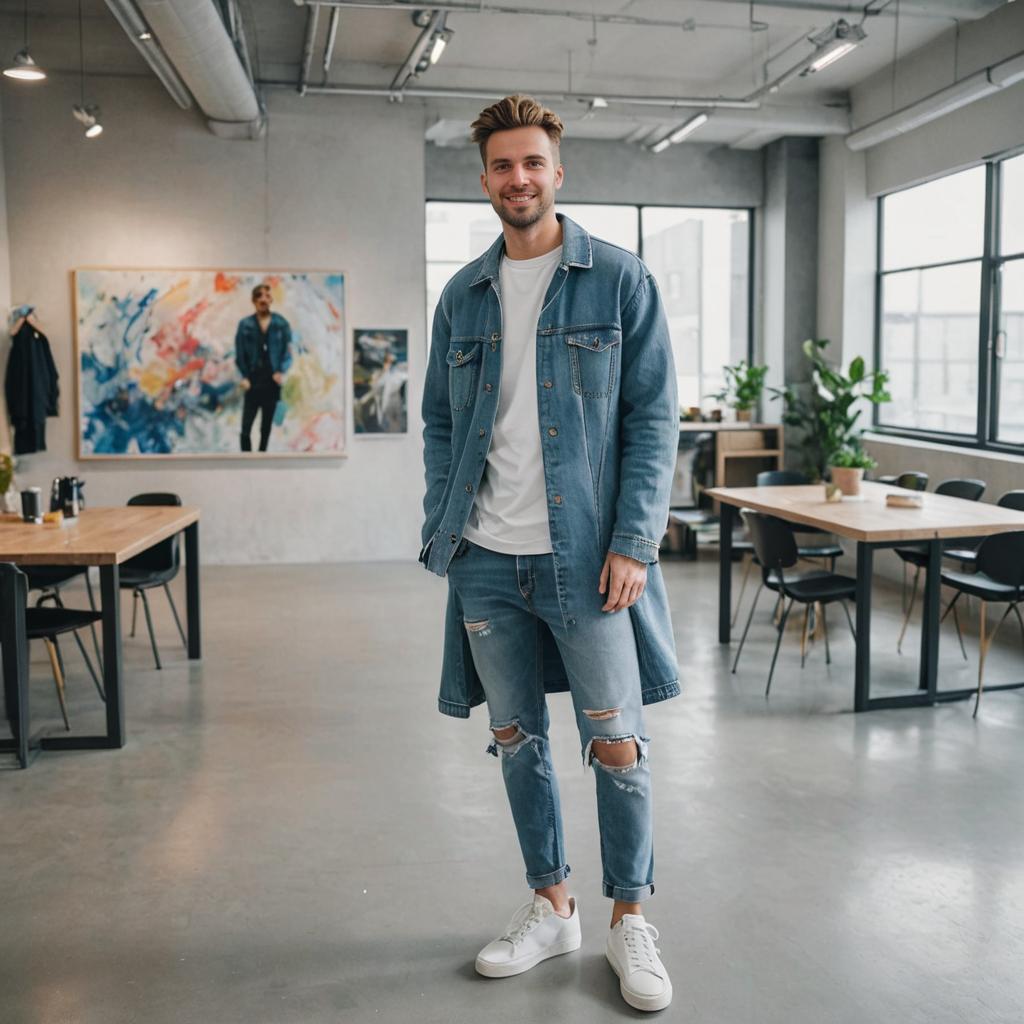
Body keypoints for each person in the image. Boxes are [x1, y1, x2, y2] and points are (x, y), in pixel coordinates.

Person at [419, 95, 680, 1013]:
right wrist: (440, 531)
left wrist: (634, 542)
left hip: (588, 559)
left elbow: (654, 422)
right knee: (514, 739)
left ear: (557, 171)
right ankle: (552, 903)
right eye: (501, 165)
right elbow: (441, 425)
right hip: (487, 556)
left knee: (615, 743)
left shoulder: (618, 280)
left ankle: (629, 918)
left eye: (532, 163)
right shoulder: (463, 293)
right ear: (483, 177)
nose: (518, 179)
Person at [235, 283, 292, 452]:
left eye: (267, 296)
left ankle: (262, 459)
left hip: (272, 383)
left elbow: (288, 351)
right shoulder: (245, 325)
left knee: (265, 429)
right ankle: (246, 461)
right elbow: (239, 353)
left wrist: (281, 371)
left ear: (271, 300)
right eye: (259, 296)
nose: (263, 300)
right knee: (245, 430)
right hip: (252, 382)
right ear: (254, 300)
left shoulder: (281, 324)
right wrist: (244, 376)